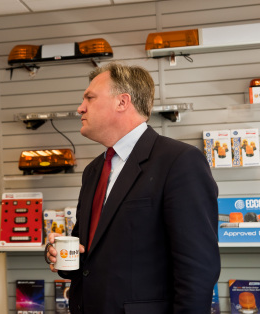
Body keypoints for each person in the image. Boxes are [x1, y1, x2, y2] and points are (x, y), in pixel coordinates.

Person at [45, 62, 220, 313]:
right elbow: (89, 254)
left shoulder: (179, 161)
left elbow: (198, 268)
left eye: (90, 98)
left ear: (122, 102)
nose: (80, 108)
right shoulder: (94, 170)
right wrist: (58, 254)